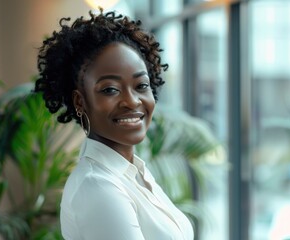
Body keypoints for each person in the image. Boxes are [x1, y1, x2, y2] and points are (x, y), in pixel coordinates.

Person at [34, 9, 194, 240]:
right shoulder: (98, 187)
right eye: (110, 89)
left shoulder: (134, 172)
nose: (132, 101)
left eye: (141, 86)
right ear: (80, 101)